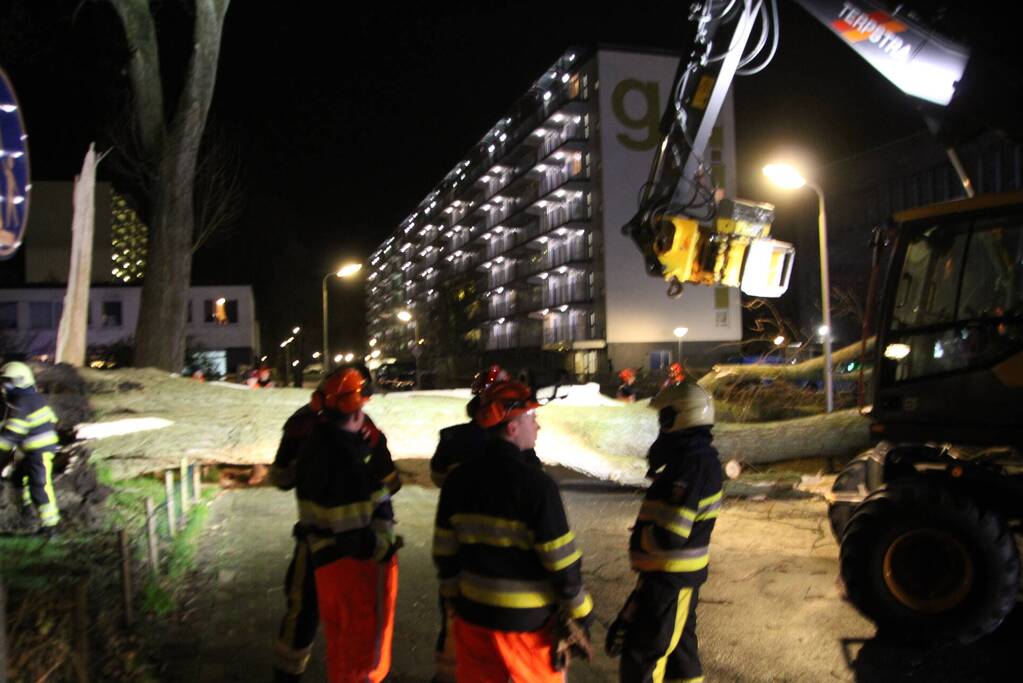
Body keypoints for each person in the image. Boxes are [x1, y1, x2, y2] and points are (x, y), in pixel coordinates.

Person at [433, 380, 594, 682]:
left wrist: (457, 601)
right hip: (528, 630)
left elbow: (444, 553)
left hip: (473, 619)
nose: (538, 426)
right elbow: (561, 563)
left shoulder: (457, 480)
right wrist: (581, 611)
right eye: (532, 418)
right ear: (512, 428)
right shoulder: (537, 485)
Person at [272, 366, 400, 682]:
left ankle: (288, 674)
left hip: (313, 543)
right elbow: (391, 483)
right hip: (355, 552)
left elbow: (282, 479)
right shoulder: (366, 431)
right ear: (357, 404)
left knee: (302, 612)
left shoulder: (302, 427)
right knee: (354, 622)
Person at [605, 380, 722, 683]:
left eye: (664, 418)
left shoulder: (693, 464)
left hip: (670, 579)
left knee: (644, 657)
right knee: (681, 659)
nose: (661, 426)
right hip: (668, 577)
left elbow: (671, 534)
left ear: (680, 416)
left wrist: (642, 538)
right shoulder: (691, 460)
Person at [0, 362, 61, 533]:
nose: (4, 386)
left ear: (20, 381)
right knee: (20, 479)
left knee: (39, 484)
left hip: (39, 451)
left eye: (8, 382)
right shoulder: (29, 398)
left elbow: (13, 433)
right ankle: (28, 515)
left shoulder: (22, 401)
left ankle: (51, 526)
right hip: (31, 450)